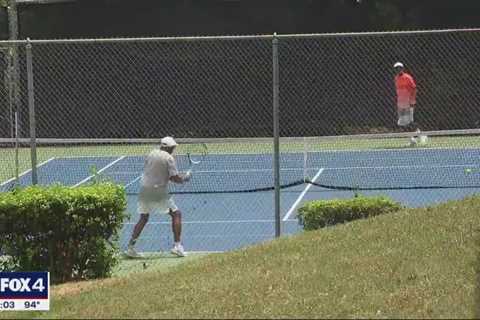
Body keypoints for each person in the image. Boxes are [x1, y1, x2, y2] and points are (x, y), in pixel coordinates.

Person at [126, 136, 191, 258]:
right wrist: (185, 178)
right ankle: (177, 246)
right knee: (176, 214)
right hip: (158, 192)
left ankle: (130, 247)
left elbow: (152, 169)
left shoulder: (151, 153)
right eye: (172, 147)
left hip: (145, 189)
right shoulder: (169, 158)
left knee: (143, 218)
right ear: (168, 147)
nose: (173, 149)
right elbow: (174, 178)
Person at [393, 62, 426, 145]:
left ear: (402, 69)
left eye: (400, 68)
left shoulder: (408, 77)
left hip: (409, 103)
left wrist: (412, 101)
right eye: (396, 68)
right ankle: (412, 140)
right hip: (400, 104)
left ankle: (420, 136)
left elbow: (414, 89)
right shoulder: (396, 78)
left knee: (409, 122)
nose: (398, 70)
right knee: (401, 123)